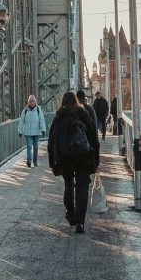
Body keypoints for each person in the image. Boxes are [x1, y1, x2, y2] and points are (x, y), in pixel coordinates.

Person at [47, 89, 100, 231]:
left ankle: (70, 215)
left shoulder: (59, 116)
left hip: (65, 158)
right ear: (76, 101)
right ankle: (80, 222)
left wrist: (52, 162)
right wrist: (96, 161)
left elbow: (51, 141)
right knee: (82, 188)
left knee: (68, 186)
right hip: (83, 157)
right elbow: (93, 138)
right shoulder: (83, 114)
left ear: (63, 101)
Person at [16, 93, 47, 167]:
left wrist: (43, 130)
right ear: (28, 102)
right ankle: (29, 161)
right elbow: (21, 121)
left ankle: (35, 161)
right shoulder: (25, 110)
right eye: (30, 101)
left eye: (33, 101)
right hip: (28, 132)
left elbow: (41, 120)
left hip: (36, 132)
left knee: (36, 147)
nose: (32, 103)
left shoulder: (38, 110)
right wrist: (20, 131)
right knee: (29, 146)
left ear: (35, 101)